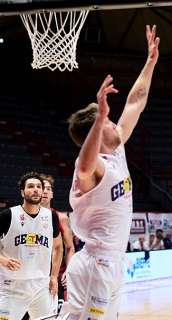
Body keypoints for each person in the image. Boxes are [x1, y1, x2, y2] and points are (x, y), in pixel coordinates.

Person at [59, 25, 159, 319]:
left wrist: (150, 61)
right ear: (95, 131)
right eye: (108, 121)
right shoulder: (91, 168)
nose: (116, 124)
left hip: (112, 261)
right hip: (95, 263)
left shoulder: (116, 151)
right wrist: (100, 115)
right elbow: (85, 164)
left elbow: (136, 102)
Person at [0, 172, 63, 319]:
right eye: (30, 186)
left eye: (38, 186)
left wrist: (54, 276)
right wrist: (3, 260)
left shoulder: (51, 216)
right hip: (12, 287)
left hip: (41, 286)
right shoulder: (7, 215)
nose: (35, 189)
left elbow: (59, 247)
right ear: (22, 192)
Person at [40, 173, 76, 313]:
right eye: (42, 188)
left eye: (48, 189)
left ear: (52, 194)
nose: (45, 191)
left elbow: (70, 247)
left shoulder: (61, 218)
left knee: (57, 315)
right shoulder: (25, 217)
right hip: (35, 275)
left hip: (56, 275)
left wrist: (69, 269)